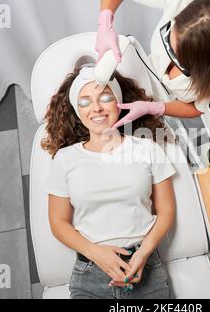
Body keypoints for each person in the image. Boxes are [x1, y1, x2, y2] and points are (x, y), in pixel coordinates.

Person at [42, 57, 176, 299]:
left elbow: (166, 209)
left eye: (105, 97)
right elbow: (58, 222)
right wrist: (95, 252)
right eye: (85, 101)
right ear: (76, 110)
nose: (97, 108)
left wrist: (143, 253)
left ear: (119, 102)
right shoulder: (64, 159)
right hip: (90, 272)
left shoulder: (147, 149)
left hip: (144, 267)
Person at [95, 0, 210, 128]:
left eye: (179, 59)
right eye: (167, 38)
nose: (168, 52)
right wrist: (105, 21)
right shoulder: (182, 4)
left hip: (171, 102)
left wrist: (157, 108)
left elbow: (197, 108)